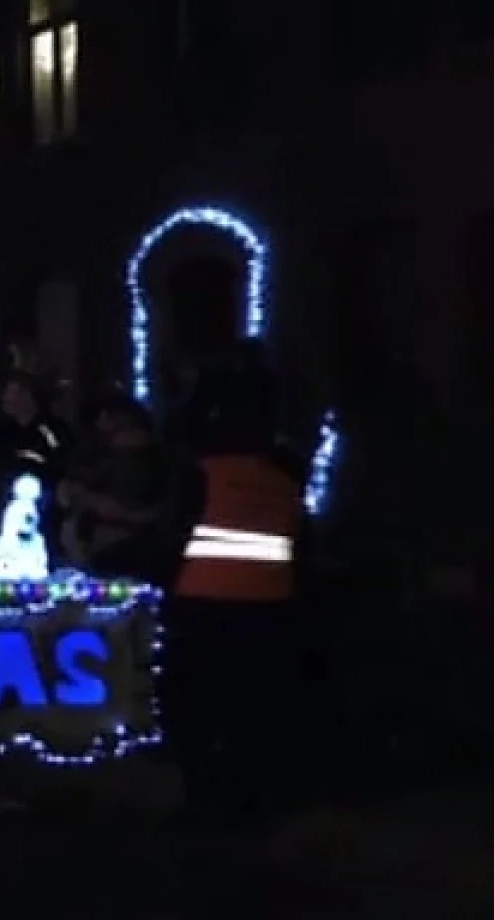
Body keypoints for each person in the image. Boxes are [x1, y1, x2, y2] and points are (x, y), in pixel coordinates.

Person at [158, 345, 304, 824]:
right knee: (252, 708)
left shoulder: (202, 468)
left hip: (205, 599)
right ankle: (251, 797)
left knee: (191, 703)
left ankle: (205, 797)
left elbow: (172, 532)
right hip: (271, 602)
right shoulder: (285, 471)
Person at [59, 395, 199, 585]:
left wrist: (90, 501)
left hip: (123, 549)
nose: (99, 423)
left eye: (105, 416)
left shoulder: (134, 461)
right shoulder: (114, 458)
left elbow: (129, 508)